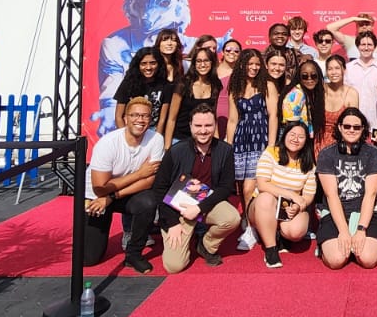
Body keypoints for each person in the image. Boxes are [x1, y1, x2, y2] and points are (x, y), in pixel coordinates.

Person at [153, 110, 241, 273]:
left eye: (208, 125)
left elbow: (226, 187)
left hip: (206, 204)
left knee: (232, 218)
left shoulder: (225, 150)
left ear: (215, 126)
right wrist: (172, 223)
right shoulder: (176, 151)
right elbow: (159, 189)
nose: (203, 130)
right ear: (190, 126)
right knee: (174, 266)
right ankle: (185, 236)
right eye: (198, 125)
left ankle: (205, 245)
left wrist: (199, 208)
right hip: (177, 209)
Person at [85, 97, 163, 270]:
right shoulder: (108, 143)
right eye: (135, 115)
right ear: (126, 118)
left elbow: (150, 181)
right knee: (88, 258)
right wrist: (140, 173)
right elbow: (100, 188)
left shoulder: (156, 140)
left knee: (149, 202)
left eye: (145, 116)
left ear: (150, 119)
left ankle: (134, 254)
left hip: (119, 194)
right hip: (96, 197)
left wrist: (112, 197)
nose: (140, 120)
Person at [315, 107, 377, 269]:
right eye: (347, 126)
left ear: (363, 129)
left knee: (367, 260)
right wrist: (344, 231)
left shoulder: (374, 153)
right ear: (339, 127)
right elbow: (331, 195)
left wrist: (361, 229)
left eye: (356, 127)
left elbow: (371, 194)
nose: (351, 130)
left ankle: (363, 242)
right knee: (336, 260)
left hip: (365, 213)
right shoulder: (327, 154)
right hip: (335, 213)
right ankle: (327, 245)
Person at [246, 121, 317, 268]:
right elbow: (262, 184)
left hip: (288, 208)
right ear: (284, 136)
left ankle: (281, 235)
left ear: (306, 140)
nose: (295, 139)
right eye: (292, 135)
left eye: (300, 136)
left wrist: (297, 206)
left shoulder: (309, 165)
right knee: (265, 198)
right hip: (262, 206)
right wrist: (292, 195)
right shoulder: (271, 153)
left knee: (296, 231)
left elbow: (308, 196)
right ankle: (271, 249)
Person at [225, 48, 276, 201]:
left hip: (261, 139)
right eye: (250, 64)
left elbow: (273, 115)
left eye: (257, 64)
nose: (254, 67)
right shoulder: (235, 88)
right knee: (240, 186)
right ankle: (247, 219)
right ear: (242, 65)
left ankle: (250, 224)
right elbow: (233, 120)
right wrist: (229, 146)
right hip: (241, 140)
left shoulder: (267, 86)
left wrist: (271, 145)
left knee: (250, 187)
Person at [165, 43, 223, 146]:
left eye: (206, 61)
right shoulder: (183, 84)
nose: (202, 65)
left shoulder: (216, 85)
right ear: (194, 64)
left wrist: (217, 145)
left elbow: (213, 116)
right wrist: (167, 147)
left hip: (204, 140)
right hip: (180, 139)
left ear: (212, 63)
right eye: (199, 61)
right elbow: (171, 119)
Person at [112, 47, 171, 141]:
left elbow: (162, 120)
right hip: (129, 131)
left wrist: (156, 140)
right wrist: (125, 138)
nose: (148, 67)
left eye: (153, 63)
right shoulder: (128, 84)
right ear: (138, 65)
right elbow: (118, 116)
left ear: (159, 64)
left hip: (152, 133)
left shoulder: (166, 85)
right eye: (143, 64)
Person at [345, 28, 377, 138]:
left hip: (375, 123)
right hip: (351, 124)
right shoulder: (348, 69)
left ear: (375, 46)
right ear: (357, 46)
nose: (366, 48)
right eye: (363, 44)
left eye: (369, 44)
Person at [316, 54, 359, 153]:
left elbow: (353, 122)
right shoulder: (320, 89)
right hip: (318, 141)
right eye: (330, 69)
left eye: (337, 68)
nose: (333, 72)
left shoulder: (351, 93)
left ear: (344, 70)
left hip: (340, 143)